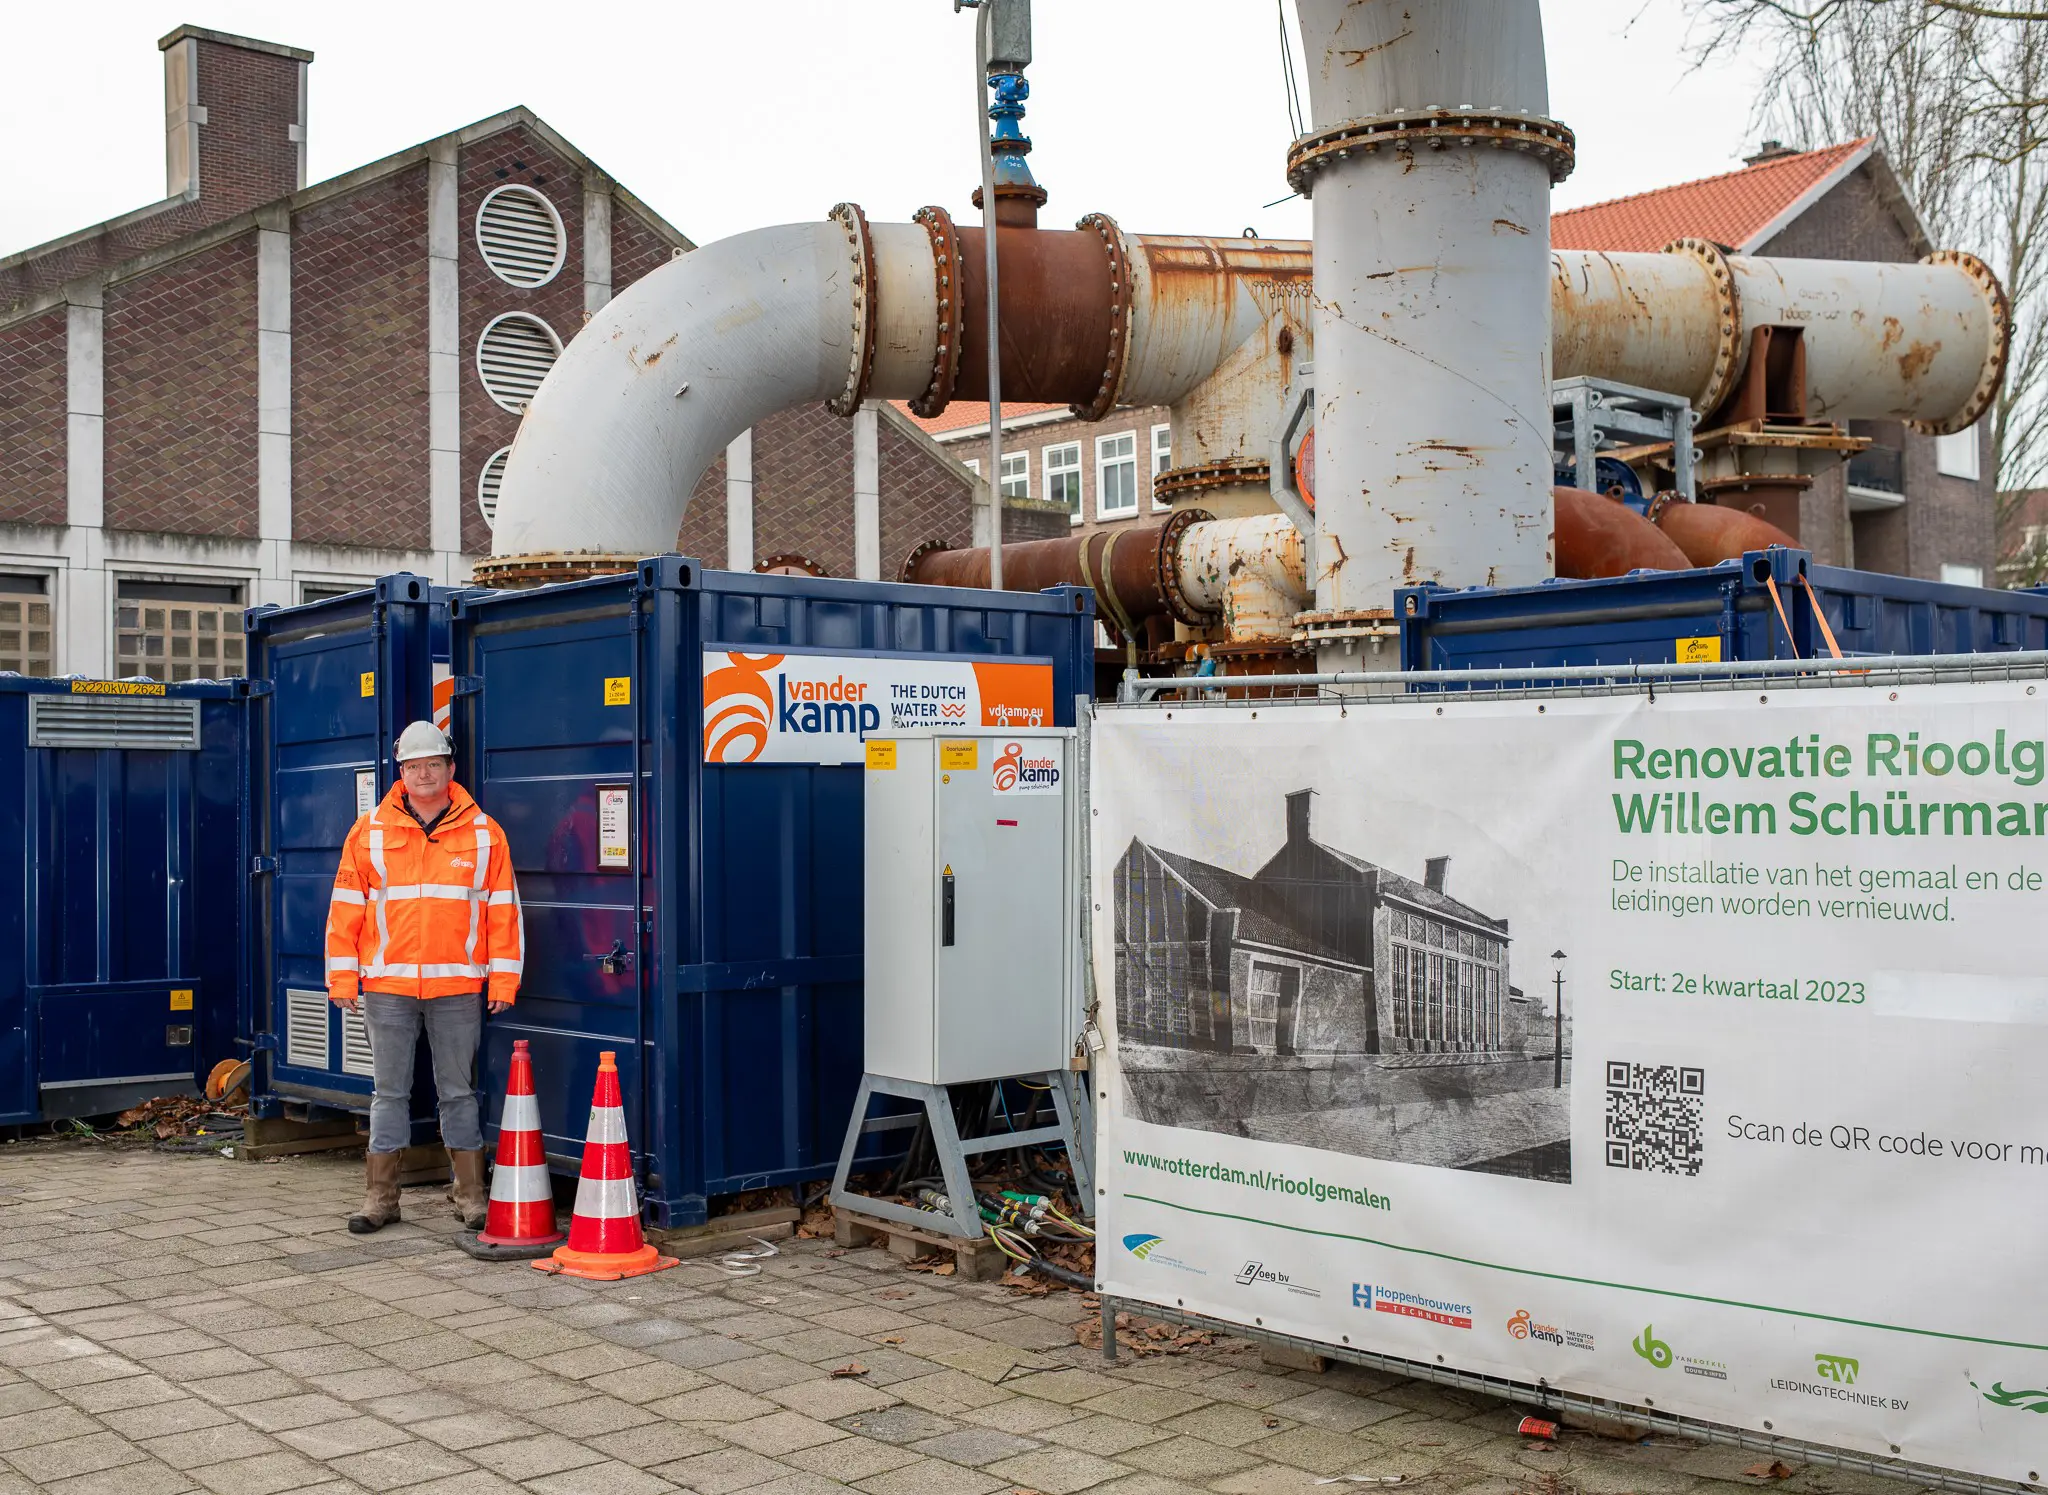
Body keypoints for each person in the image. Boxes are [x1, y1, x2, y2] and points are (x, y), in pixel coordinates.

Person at [324, 720, 524, 1234]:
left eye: (434, 764)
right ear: (401, 772)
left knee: (457, 1092)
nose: (425, 774)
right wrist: (343, 979)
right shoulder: (368, 830)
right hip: (387, 987)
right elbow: (345, 910)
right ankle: (381, 1199)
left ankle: (470, 1196)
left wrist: (503, 981)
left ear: (450, 768)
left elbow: (504, 912)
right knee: (388, 1093)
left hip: (457, 987)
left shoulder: (484, 832)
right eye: (415, 766)